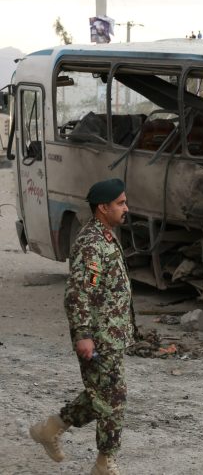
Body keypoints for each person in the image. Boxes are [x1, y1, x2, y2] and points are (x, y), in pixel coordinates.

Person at [29, 179, 136, 475]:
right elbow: (79, 293)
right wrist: (83, 335)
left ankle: (51, 428)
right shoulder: (91, 244)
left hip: (111, 335)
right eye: (121, 203)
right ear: (103, 207)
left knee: (101, 396)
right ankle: (104, 462)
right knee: (113, 399)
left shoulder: (106, 236)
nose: (126, 208)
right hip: (99, 337)